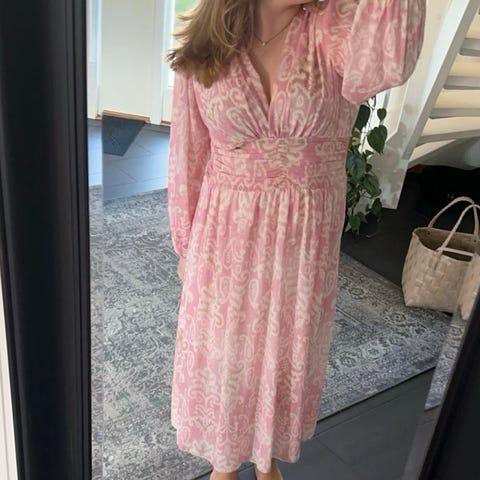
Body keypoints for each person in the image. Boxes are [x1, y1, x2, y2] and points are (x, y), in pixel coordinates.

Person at [166, 0, 426, 479]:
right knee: (225, 359)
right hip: (224, 239)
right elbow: (188, 154)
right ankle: (224, 464)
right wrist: (186, 243)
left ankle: (264, 459)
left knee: (280, 361)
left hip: (301, 248)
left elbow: (390, 59)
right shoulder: (204, 40)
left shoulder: (334, 29)